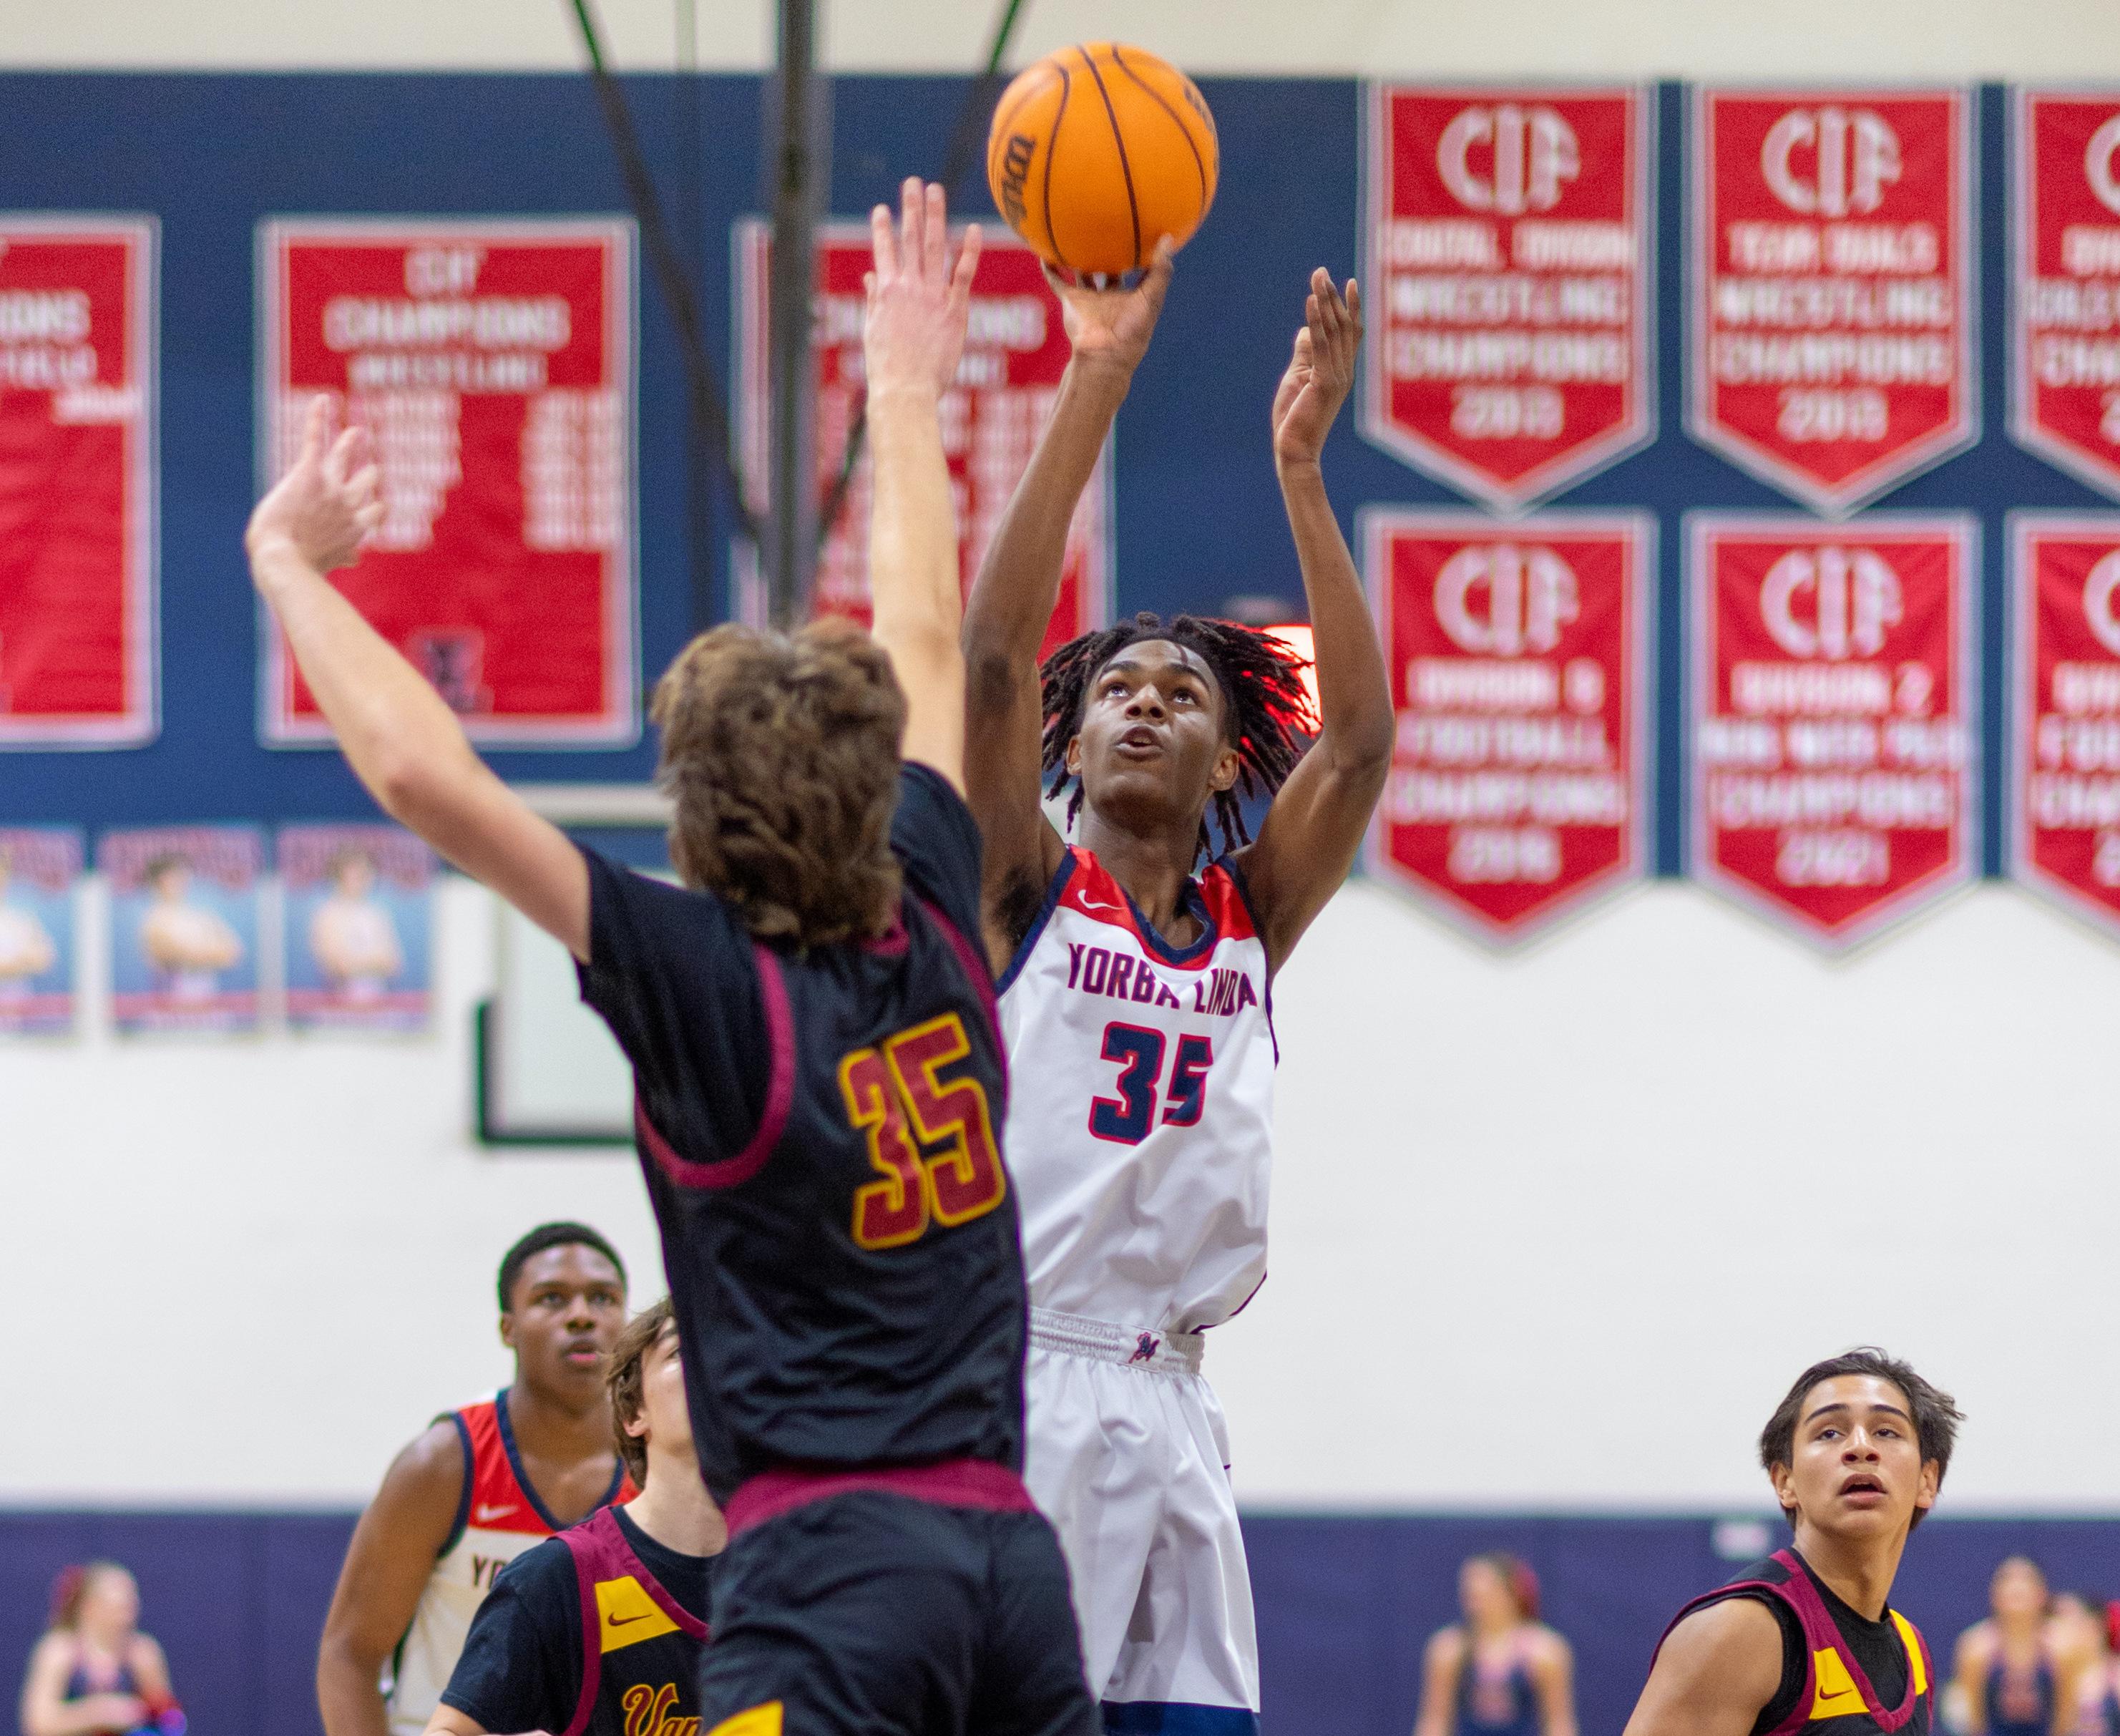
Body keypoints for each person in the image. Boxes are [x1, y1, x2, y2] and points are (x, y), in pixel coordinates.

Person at [250, 178, 1096, 1736]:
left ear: (695, 821)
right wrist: (902, 382)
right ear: (869, 784)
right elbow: (919, 625)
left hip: (829, 1572)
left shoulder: (704, 985)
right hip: (1011, 1567)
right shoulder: (925, 895)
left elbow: (429, 779)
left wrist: (292, 569)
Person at [958, 236, 1392, 1729]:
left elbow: (1354, 746)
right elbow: (995, 659)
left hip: (1177, 1392)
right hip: (1023, 1374)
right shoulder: (1024, 886)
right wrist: (1100, 375)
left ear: (1223, 757)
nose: (1144, 701)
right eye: (1118, 692)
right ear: (1071, 747)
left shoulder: (1244, 921)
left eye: (1184, 691)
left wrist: (1300, 467)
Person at [314, 1223, 635, 1736]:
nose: (581, 1316)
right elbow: (351, 1654)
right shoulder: (442, 1464)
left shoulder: (661, 1464)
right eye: (552, 1299)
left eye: (603, 1298)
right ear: (508, 1328)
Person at [1623, 1347, 1962, 1736]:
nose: (1860, 1447)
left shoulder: (1912, 1651)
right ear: (1786, 1482)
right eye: (1829, 1432)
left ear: (1927, 1480)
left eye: (1886, 1431)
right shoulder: (1739, 1633)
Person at [426, 1297, 723, 1736]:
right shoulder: (555, 1579)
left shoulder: (804, 1570)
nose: (712, 1365)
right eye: (683, 1351)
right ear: (633, 1413)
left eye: (725, 1350)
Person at [1412, 1553, 1576, 1736]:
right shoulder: (1449, 1648)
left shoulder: (1545, 1651)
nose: (1475, 1602)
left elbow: (1558, 1724)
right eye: (1469, 1594)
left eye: (1483, 1593)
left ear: (1510, 1592)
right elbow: (1435, 1722)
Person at [18, 1562, 182, 1736]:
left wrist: (145, 1717)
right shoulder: (59, 1651)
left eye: (132, 1604)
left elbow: (169, 1721)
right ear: (90, 1606)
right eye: (119, 1606)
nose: (129, 1614)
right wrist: (99, 1713)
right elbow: (38, 1725)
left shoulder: (142, 1652)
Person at [1953, 1558, 2092, 1736]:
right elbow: (1975, 1722)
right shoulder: (1975, 1648)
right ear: (1995, 1596)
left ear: (2042, 1594)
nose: (2016, 1589)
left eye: (2024, 1583)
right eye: (2008, 1582)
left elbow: (2066, 1719)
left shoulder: (2063, 1648)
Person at [138, 854, 241, 1000]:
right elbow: (169, 954)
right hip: (171, 1004)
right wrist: (207, 953)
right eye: (175, 876)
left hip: (207, 999)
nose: (183, 881)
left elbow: (232, 953)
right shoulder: (154, 920)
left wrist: (196, 954)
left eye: (182, 875)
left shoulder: (200, 917)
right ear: (161, 880)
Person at [310, 848, 404, 999]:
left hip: (379, 1003)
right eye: (357, 873)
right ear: (339, 875)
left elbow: (393, 963)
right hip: (340, 1005)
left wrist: (359, 964)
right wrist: (375, 962)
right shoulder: (328, 915)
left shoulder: (376, 914)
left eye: (367, 873)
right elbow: (339, 967)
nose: (364, 878)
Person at [0, 848, 58, 1000]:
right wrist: (19, 964)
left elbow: (44, 959)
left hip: (20, 1014)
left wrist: (11, 967)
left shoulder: (22, 921)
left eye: (2, 873)